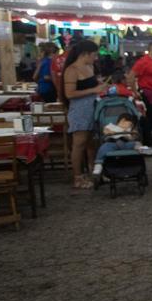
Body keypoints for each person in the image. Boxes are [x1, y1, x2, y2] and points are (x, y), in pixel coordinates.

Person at [63, 38, 106, 189]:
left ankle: (94, 171)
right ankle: (78, 176)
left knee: (91, 143)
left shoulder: (90, 67)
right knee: (79, 143)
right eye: (94, 54)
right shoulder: (72, 70)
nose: (96, 57)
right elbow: (69, 93)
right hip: (80, 109)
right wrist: (93, 90)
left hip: (93, 107)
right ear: (85, 54)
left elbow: (93, 85)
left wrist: (99, 85)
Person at [129, 41, 152, 147]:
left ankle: (148, 138)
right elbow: (131, 76)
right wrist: (134, 91)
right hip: (147, 91)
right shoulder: (143, 62)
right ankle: (146, 138)